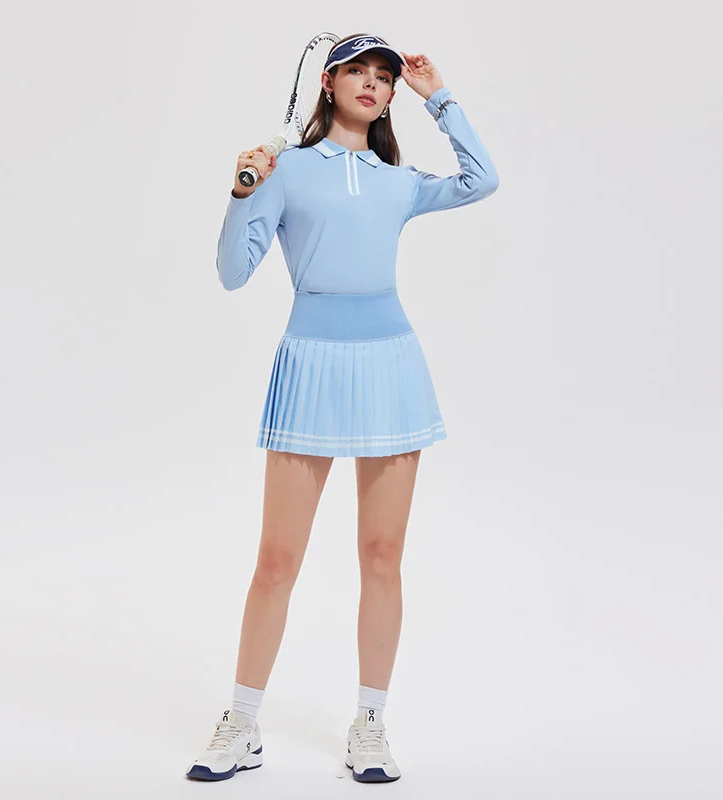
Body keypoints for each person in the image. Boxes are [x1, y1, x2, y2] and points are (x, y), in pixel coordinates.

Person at [186, 32, 499, 783]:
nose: (372, 83)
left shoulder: (399, 181)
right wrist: (242, 193)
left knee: (382, 555)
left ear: (392, 95)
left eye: (383, 76)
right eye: (357, 71)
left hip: (390, 366)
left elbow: (482, 179)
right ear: (327, 84)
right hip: (312, 365)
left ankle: (370, 723)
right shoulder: (287, 170)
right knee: (276, 559)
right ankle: (242, 723)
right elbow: (232, 272)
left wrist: (439, 96)